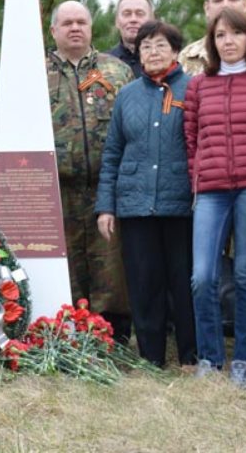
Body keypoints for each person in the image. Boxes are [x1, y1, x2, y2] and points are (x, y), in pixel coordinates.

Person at [95, 20, 196, 367]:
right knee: (144, 281)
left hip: (181, 203)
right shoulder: (127, 96)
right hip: (135, 204)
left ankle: (190, 355)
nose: (153, 52)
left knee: (183, 282)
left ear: (175, 51)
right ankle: (151, 357)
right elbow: (112, 154)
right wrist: (106, 207)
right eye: (146, 47)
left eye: (160, 45)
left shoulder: (192, 89)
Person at [183, 7, 246, 388]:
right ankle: (211, 358)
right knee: (203, 277)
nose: (228, 41)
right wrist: (197, 176)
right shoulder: (200, 85)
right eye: (220, 35)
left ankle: (244, 362)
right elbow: (190, 138)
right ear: (212, 42)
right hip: (212, 192)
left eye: (235, 33)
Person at [48, 0, 134, 341]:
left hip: (104, 188)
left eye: (81, 22)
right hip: (56, 191)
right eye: (66, 23)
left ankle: (112, 338)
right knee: (64, 267)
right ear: (53, 30)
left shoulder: (116, 71)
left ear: (91, 27)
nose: (74, 28)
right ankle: (63, 336)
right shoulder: (35, 72)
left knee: (110, 268)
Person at [178, 0, 246, 76]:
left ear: (245, 5)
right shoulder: (188, 57)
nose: (226, 5)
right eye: (218, 0)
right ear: (207, 8)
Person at [106, 0, 154, 78]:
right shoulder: (102, 63)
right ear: (117, 21)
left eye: (140, 14)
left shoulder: (166, 62)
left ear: (152, 20)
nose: (133, 19)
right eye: (127, 14)